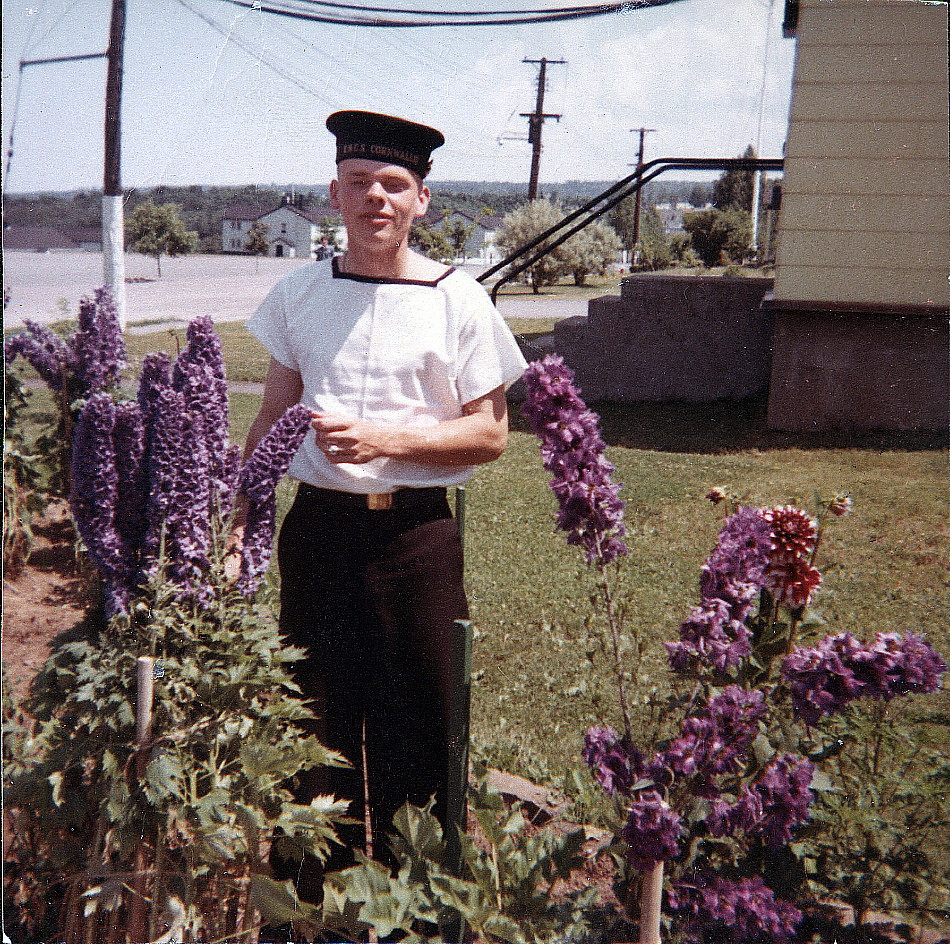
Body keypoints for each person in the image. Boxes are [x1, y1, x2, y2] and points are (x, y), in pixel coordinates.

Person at [237, 109, 527, 897]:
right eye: (359, 183)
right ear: (334, 194)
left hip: (417, 543)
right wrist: (237, 509)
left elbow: (490, 435)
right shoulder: (298, 294)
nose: (376, 198)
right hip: (319, 534)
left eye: (394, 185)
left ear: (422, 200)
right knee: (314, 723)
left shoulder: (457, 299)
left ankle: (419, 903)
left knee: (419, 725)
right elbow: (272, 414)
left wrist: (386, 442)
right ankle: (311, 905)